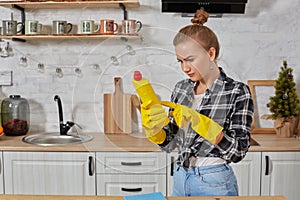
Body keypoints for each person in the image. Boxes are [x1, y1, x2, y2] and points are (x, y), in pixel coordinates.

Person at [140, 9, 254, 196]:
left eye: (190, 60)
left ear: (210, 53)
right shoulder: (181, 89)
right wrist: (157, 132)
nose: (185, 68)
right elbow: (173, 143)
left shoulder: (237, 91)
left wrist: (201, 124)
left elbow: (238, 152)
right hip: (180, 176)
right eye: (180, 61)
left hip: (213, 179)